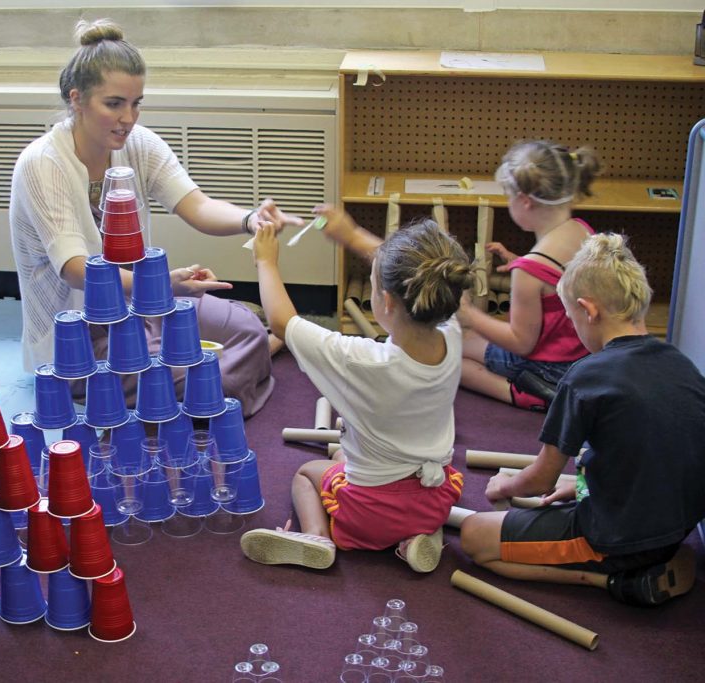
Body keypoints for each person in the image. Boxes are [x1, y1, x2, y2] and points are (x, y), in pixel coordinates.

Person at [9, 18, 303, 417]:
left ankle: (235, 365)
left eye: (136, 103)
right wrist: (161, 285)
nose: (128, 118)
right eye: (114, 104)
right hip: (80, 337)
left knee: (249, 331)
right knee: (199, 379)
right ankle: (237, 371)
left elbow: (196, 205)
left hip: (144, 305)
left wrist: (250, 219)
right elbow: (76, 269)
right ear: (76, 99)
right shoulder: (42, 163)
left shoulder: (137, 142)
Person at [460, 233, 705, 606]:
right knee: (569, 484)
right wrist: (582, 485)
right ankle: (648, 557)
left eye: (573, 319)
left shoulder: (586, 377)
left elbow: (539, 479)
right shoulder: (680, 363)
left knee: (474, 536)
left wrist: (504, 487)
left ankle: (613, 580)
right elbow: (649, 453)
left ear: (588, 310)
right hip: (678, 527)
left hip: (616, 537)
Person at [239, 208, 470, 572]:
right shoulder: (452, 332)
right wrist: (352, 235)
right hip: (434, 500)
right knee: (342, 461)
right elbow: (411, 269)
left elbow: (283, 323)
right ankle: (414, 539)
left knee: (307, 473)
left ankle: (317, 536)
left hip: (367, 514)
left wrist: (266, 261)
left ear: (387, 302)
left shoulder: (361, 360)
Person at [459, 141, 601, 411]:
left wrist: (468, 314)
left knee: (454, 354)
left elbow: (521, 343)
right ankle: (541, 386)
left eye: (507, 196)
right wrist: (518, 260)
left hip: (550, 366)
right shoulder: (582, 230)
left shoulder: (528, 271)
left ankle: (530, 393)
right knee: (472, 343)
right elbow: (558, 278)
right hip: (581, 357)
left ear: (524, 201)